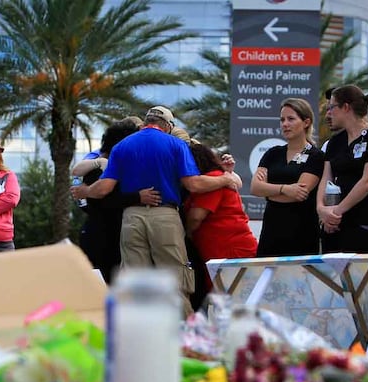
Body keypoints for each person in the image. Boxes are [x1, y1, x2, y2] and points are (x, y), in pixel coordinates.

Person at [75, 105, 239, 315]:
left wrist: (85, 190)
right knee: (175, 277)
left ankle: (136, 332)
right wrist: (225, 178)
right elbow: (194, 184)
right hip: (165, 216)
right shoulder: (175, 145)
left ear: (145, 123)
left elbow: (104, 188)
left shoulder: (122, 146)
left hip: (132, 218)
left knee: (134, 279)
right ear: (168, 126)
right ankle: (183, 332)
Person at [71, 119, 158, 283]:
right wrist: (137, 197)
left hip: (116, 234)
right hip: (103, 236)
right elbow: (103, 200)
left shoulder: (122, 165)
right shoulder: (101, 167)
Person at [317, 86, 368, 253]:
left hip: (364, 222)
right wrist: (321, 209)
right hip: (334, 225)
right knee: (331, 276)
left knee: (358, 276)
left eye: (332, 107)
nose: (329, 113)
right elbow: (326, 177)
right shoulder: (335, 143)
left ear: (346, 107)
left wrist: (337, 212)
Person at [250, 98, 324, 256]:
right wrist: (285, 188)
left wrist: (269, 191)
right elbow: (255, 188)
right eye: (282, 120)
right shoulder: (273, 153)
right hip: (271, 232)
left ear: (306, 122)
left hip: (301, 232)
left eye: (291, 119)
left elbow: (299, 194)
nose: (285, 124)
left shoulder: (315, 156)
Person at [185, 142, 257, 290]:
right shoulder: (219, 177)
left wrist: (186, 233)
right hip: (226, 247)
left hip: (228, 249)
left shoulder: (212, 181)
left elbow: (196, 217)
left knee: (232, 296)